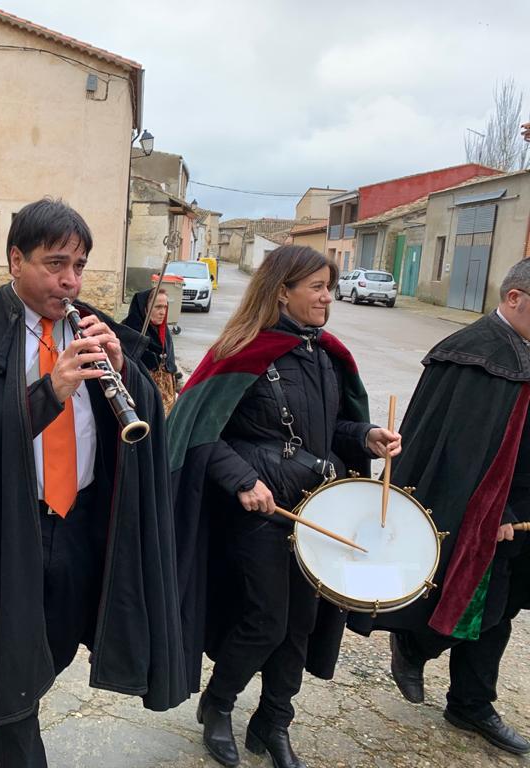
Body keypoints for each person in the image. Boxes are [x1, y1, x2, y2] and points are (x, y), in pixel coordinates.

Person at [0, 199, 186, 767]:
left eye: (78, 266)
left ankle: (11, 703)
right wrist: (44, 394)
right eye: (56, 264)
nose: (70, 280)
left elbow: (146, 416)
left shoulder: (88, 324)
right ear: (15, 260)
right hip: (9, 527)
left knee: (57, 643)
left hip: (78, 521)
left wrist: (123, 367)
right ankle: (16, 736)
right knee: (13, 654)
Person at [166, 245, 400, 768]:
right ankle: (218, 704)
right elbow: (198, 432)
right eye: (316, 286)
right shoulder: (242, 348)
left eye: (328, 286)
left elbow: (331, 430)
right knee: (267, 620)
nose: (327, 296)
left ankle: (274, 722)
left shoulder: (328, 354)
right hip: (260, 513)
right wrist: (243, 478)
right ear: (281, 292)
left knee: (301, 623)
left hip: (319, 511)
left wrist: (367, 436)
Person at [354, 259, 530, 756]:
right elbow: (459, 452)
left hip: (519, 507)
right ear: (514, 298)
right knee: (472, 600)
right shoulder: (473, 355)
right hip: (480, 508)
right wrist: (491, 513)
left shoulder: (521, 349)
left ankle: (468, 702)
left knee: (502, 607)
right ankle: (418, 650)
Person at [122, 287, 178, 414]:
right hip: (144, 398)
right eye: (158, 307)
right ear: (144, 308)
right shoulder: (129, 332)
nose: (162, 312)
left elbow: (170, 364)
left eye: (165, 307)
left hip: (166, 399)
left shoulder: (164, 333)